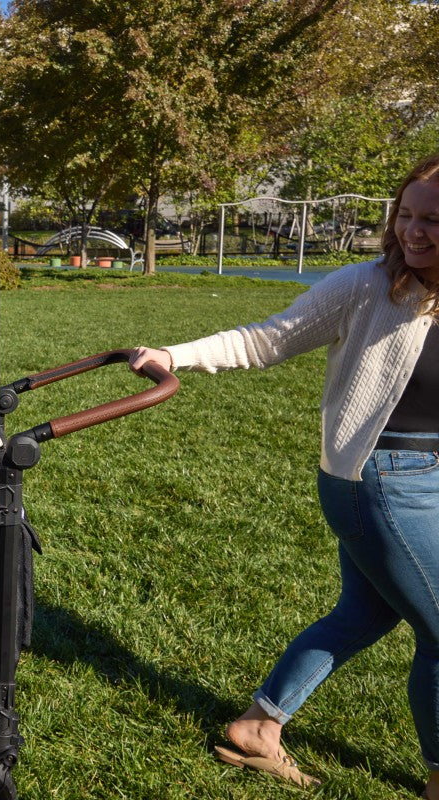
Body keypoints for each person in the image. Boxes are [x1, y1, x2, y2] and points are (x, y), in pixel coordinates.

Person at [130, 151, 439, 795]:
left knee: (365, 613)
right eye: (406, 215)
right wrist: (173, 354)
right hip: (378, 481)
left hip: (426, 479)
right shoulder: (366, 286)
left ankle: (258, 726)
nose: (413, 231)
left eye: (432, 220)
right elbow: (265, 339)